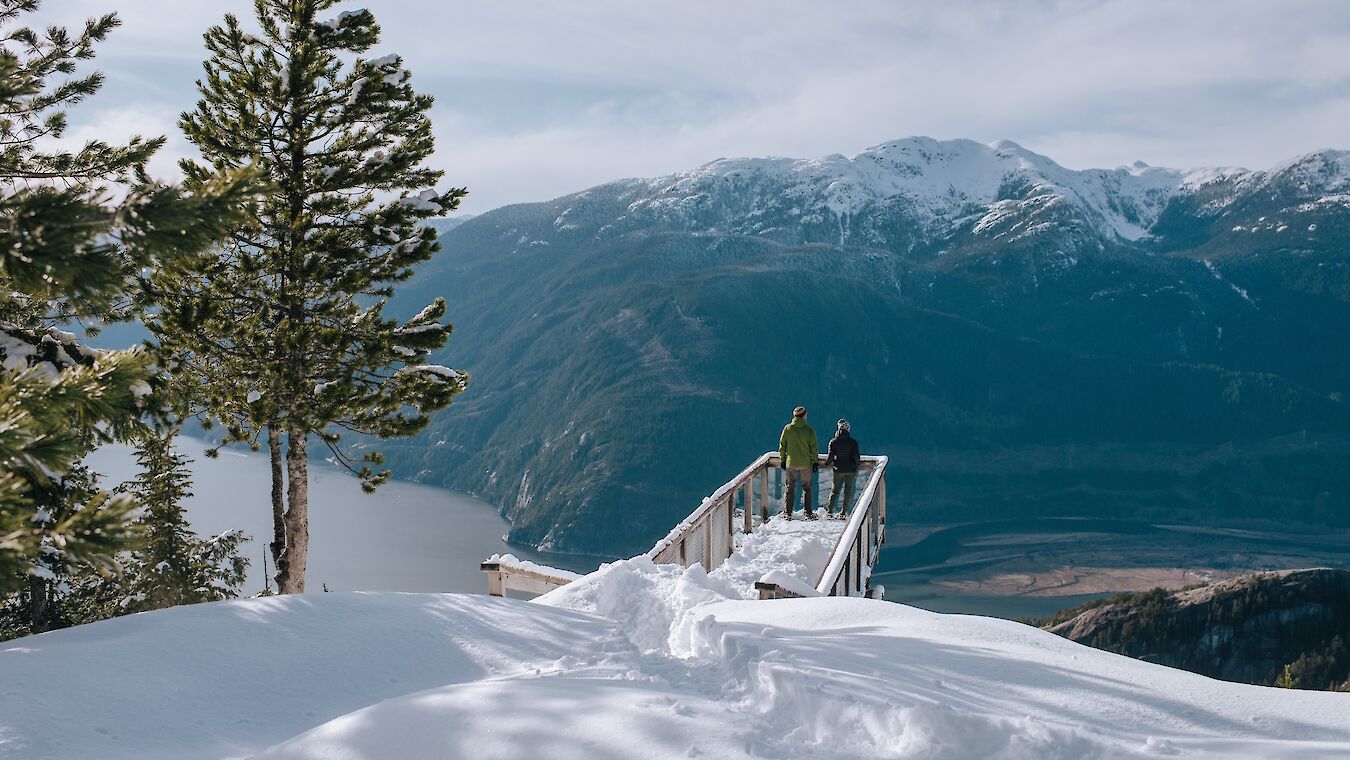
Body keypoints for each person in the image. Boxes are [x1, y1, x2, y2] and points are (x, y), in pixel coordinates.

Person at [778, 406, 819, 519]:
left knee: (790, 488)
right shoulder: (809, 430)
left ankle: (788, 513)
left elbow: (782, 446)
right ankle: (808, 512)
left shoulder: (788, 429)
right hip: (806, 464)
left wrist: (782, 460)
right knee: (807, 488)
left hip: (791, 464)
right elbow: (814, 448)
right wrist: (815, 462)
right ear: (804, 415)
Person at [825, 419, 861, 517]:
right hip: (851, 470)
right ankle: (843, 512)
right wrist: (856, 466)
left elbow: (830, 457)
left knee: (834, 491)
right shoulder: (853, 442)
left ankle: (830, 511)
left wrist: (826, 464)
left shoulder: (833, 442)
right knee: (848, 491)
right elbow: (856, 457)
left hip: (838, 469)